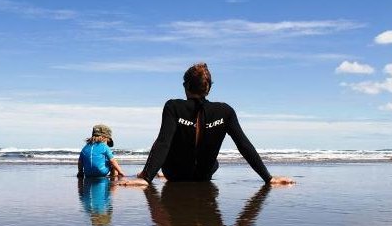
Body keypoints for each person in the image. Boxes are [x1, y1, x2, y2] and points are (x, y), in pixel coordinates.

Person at [119, 63, 294, 186]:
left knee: (164, 141)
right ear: (209, 88)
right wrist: (268, 178)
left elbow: (163, 143)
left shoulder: (173, 106)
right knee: (213, 161)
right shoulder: (225, 111)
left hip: (175, 174)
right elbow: (243, 145)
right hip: (204, 175)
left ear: (186, 86)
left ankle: (148, 173)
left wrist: (146, 179)